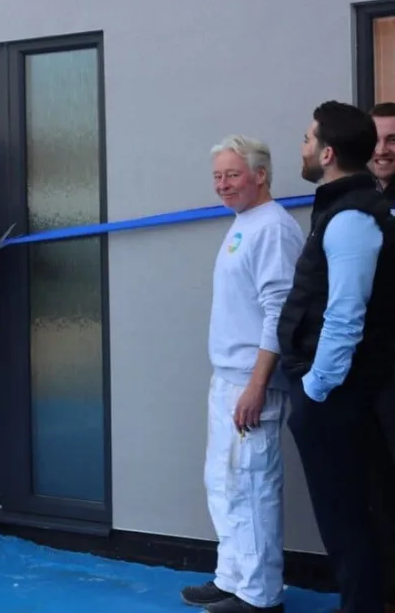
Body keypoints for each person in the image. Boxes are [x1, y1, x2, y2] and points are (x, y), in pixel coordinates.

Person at [277, 100, 395, 613]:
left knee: (345, 519)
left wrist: (316, 388)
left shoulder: (350, 219)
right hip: (338, 393)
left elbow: (345, 315)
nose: (301, 149)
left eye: (306, 140)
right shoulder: (346, 208)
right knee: (348, 516)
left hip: (335, 395)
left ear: (326, 153)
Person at [182, 137, 304, 613]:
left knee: (251, 484)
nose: (223, 184)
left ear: (260, 175)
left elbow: (279, 312)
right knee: (225, 482)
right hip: (228, 377)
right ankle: (233, 576)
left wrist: (257, 385)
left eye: (232, 175)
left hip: (251, 383)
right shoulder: (244, 223)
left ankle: (260, 595)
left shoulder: (272, 229)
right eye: (217, 176)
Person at [367, 102, 395, 613]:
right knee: (379, 487)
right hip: (371, 371)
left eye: (394, 139)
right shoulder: (360, 205)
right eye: (377, 139)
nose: (384, 150)